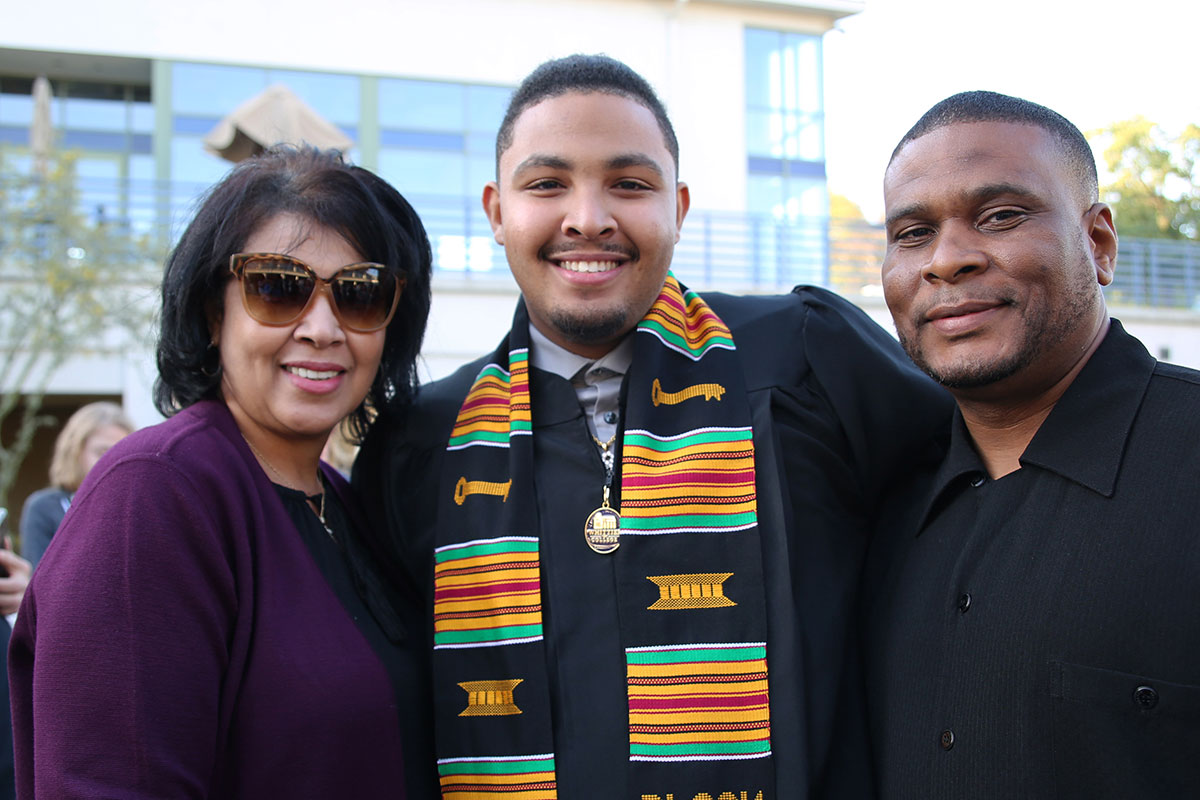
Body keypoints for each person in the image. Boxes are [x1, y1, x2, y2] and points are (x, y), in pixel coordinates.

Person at [355, 54, 949, 799]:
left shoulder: (804, 359)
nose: (588, 217)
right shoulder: (424, 442)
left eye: (630, 185)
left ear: (679, 206)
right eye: (546, 184)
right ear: (497, 211)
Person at [10, 147, 436, 798]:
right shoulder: (152, 495)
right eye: (277, 286)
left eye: (360, 293)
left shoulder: (349, 506)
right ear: (215, 312)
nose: (322, 328)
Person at [864, 91, 1200, 799]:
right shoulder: (874, 505)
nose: (947, 261)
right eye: (913, 232)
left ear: (1099, 244)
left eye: (1001, 216)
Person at [19, 401, 133, 568]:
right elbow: (35, 582)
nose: (112, 462)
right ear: (75, 452)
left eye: (121, 453)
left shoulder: (132, 508)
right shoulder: (44, 507)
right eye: (102, 452)